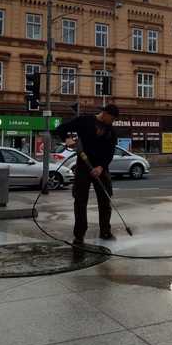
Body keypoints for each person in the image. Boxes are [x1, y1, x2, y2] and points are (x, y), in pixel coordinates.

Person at [54, 104, 119, 244]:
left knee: (105, 201)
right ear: (105, 113)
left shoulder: (111, 131)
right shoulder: (85, 121)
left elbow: (110, 153)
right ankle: (79, 234)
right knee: (80, 201)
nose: (112, 121)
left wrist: (101, 167)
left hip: (101, 169)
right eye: (112, 118)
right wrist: (67, 139)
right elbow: (61, 129)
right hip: (83, 166)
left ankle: (105, 231)